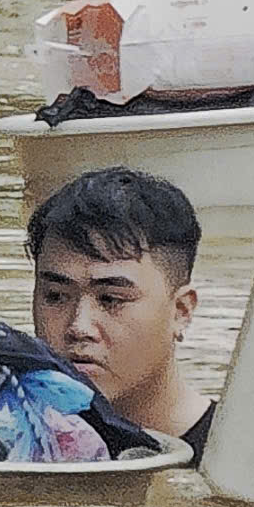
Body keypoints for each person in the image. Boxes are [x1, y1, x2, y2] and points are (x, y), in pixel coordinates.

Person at [26, 167, 214, 460]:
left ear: (181, 311)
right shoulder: (8, 442)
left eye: (111, 299)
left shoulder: (239, 460)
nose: (79, 327)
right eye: (56, 296)